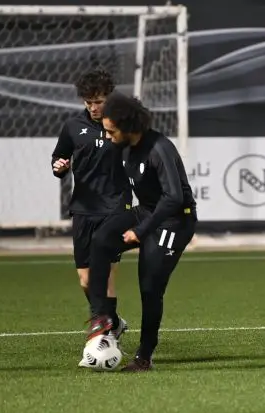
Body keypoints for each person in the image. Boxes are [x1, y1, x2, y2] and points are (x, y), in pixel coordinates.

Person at [85, 92, 197, 372]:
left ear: (127, 127)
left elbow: (174, 198)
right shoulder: (124, 147)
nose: (108, 136)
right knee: (100, 239)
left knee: (150, 288)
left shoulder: (159, 148)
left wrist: (140, 230)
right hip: (147, 212)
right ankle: (102, 317)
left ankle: (144, 357)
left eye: (111, 131)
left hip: (174, 221)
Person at [51, 67, 127, 341]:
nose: (94, 107)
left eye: (99, 101)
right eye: (89, 102)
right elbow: (58, 157)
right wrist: (59, 166)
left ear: (109, 98)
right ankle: (113, 322)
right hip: (84, 208)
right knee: (86, 280)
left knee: (103, 275)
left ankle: (104, 337)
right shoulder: (73, 127)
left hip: (115, 209)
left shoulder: (122, 125)